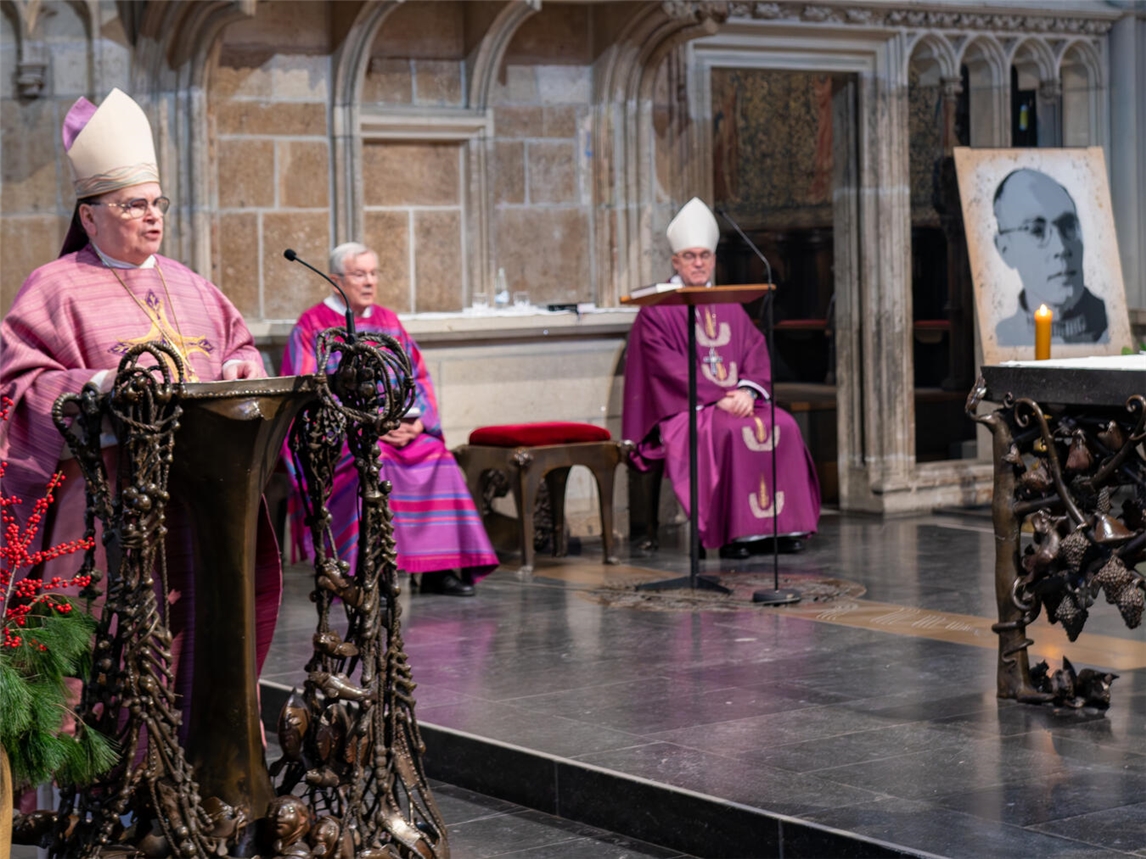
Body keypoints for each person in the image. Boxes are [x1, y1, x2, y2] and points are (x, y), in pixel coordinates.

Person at [0, 90, 278, 713]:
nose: (153, 218)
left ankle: (194, 764)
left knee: (197, 633)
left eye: (158, 204)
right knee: (106, 643)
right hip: (102, 500)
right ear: (90, 216)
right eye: (133, 205)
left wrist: (241, 368)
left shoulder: (192, 284)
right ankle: (95, 791)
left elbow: (241, 350)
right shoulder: (55, 286)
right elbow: (16, 388)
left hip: (198, 492)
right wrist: (94, 387)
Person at [281, 242, 498, 596]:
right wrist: (369, 427)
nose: (369, 282)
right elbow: (309, 392)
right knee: (376, 464)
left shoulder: (388, 321)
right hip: (345, 436)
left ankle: (435, 571)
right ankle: (371, 576)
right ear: (335, 280)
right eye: (359, 274)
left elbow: (418, 377)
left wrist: (417, 422)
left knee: (437, 457)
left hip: (398, 426)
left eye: (373, 273)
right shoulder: (312, 326)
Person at [622, 197, 821, 559]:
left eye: (705, 256)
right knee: (729, 431)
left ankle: (779, 529)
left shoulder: (728, 301)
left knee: (786, 426)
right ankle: (735, 535)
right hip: (688, 408)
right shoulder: (657, 310)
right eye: (690, 256)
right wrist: (718, 396)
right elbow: (665, 368)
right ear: (675, 261)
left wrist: (746, 390)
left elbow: (754, 351)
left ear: (714, 259)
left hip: (736, 401)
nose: (699, 263)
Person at [992, 168, 1107, 345]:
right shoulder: (1001, 338)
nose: (1061, 248)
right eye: (1036, 231)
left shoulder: (1110, 327)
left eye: (1068, 226)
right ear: (1005, 249)